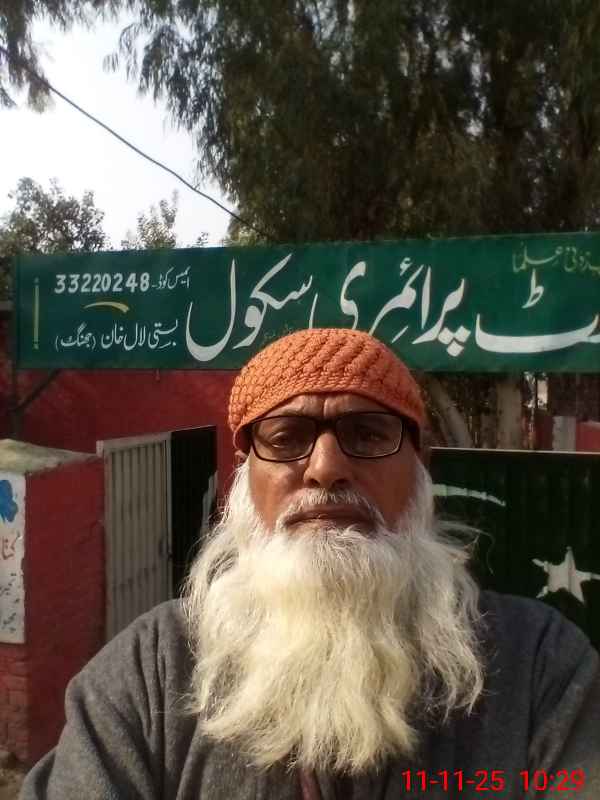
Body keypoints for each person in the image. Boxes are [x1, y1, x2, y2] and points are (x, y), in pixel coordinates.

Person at [21, 328, 600, 799]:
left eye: (367, 434)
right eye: (286, 437)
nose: (326, 468)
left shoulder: (540, 666)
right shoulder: (151, 670)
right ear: (246, 480)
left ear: (420, 470)